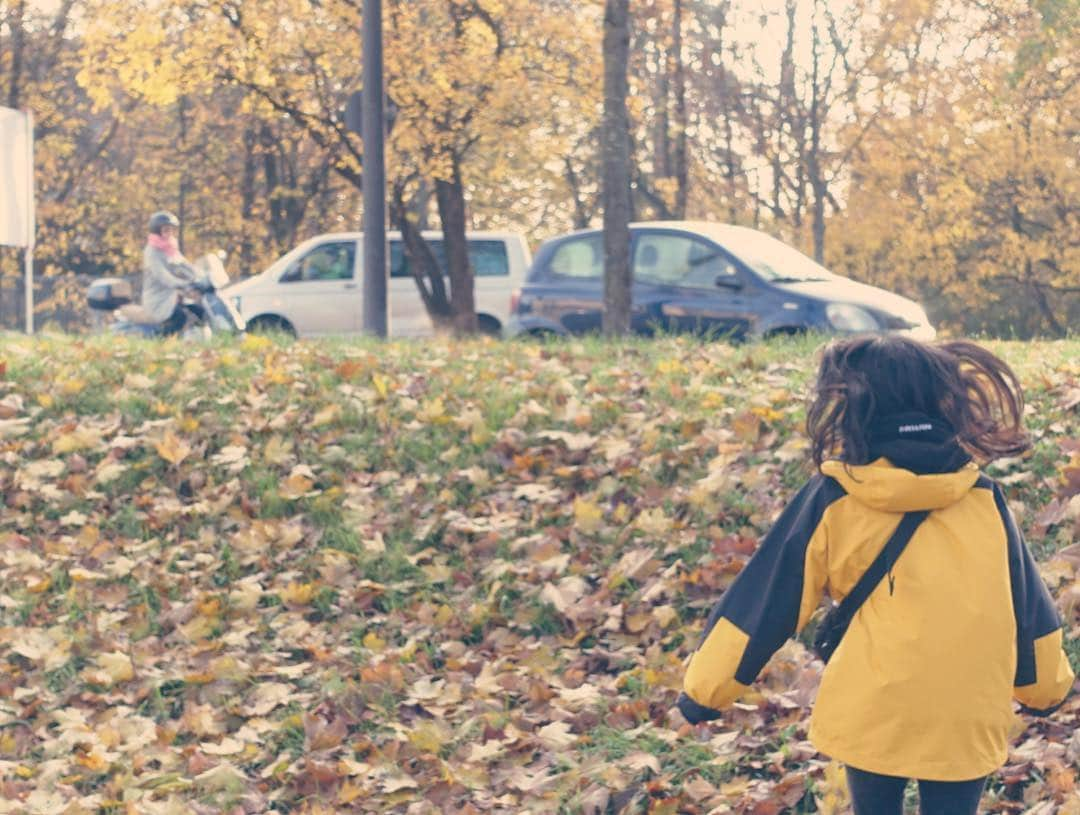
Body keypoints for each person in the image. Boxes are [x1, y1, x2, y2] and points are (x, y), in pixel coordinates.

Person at [678, 335, 1074, 815]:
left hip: (874, 709)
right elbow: (1027, 606)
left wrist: (706, 691)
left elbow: (766, 599)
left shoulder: (835, 496)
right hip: (964, 713)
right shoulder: (982, 498)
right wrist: (1046, 690)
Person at [142, 211, 199, 335]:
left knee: (199, 310)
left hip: (172, 295)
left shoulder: (170, 247)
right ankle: (158, 341)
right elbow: (162, 275)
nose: (170, 233)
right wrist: (183, 284)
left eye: (171, 230)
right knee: (180, 316)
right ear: (157, 231)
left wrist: (198, 276)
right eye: (166, 230)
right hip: (158, 298)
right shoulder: (152, 251)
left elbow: (183, 264)